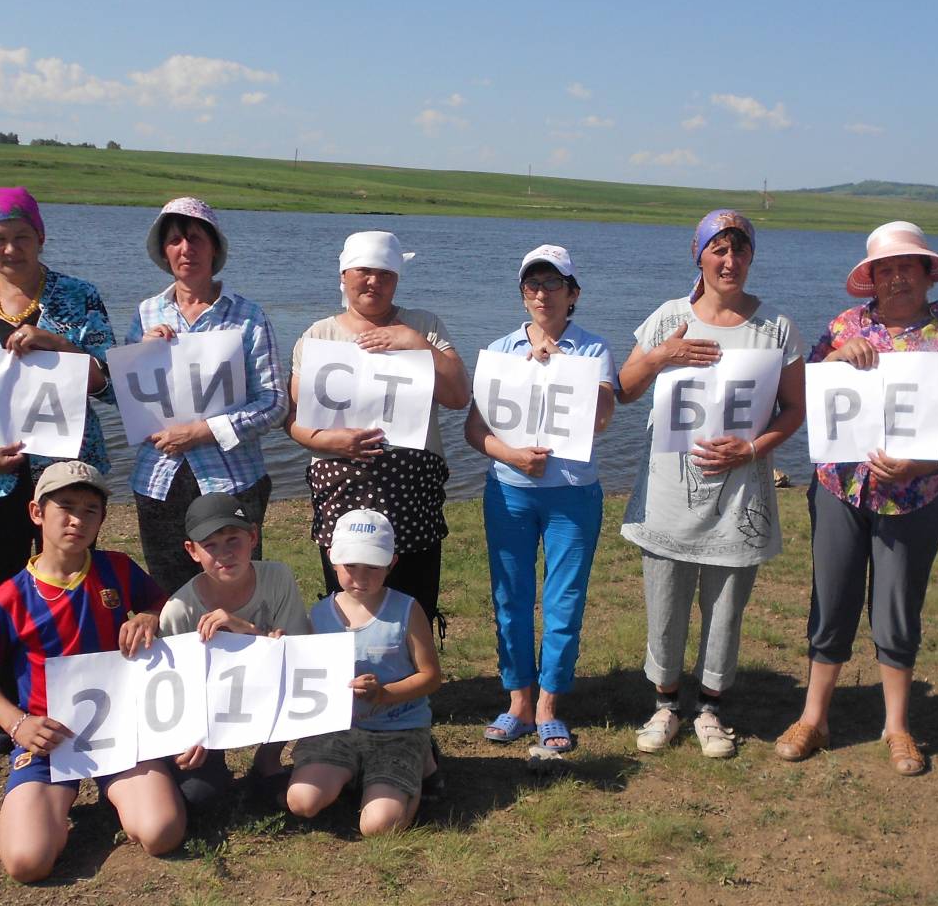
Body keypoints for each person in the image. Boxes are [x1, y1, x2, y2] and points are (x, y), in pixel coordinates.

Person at [774, 222, 938, 776]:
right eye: (885, 270)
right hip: (840, 490)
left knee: (897, 609)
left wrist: (929, 459)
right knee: (832, 600)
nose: (896, 278)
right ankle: (814, 718)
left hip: (915, 497)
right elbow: (810, 393)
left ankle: (896, 726)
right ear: (871, 279)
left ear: (925, 274)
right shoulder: (844, 327)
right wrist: (834, 358)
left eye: (907, 267)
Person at [617, 209, 805, 758]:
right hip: (669, 494)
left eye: (740, 250)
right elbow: (624, 390)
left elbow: (793, 410)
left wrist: (752, 448)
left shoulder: (776, 328)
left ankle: (712, 711)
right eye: (719, 250)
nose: (730, 261)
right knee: (666, 601)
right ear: (698, 255)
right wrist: (661, 356)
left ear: (751, 257)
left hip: (739, 494)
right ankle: (666, 703)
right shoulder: (668, 317)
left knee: (726, 607)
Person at [0, 187, 116, 754]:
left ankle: (74, 702)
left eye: (22, 236)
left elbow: (109, 381)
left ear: (41, 236)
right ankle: (9, 714)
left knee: (69, 583)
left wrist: (58, 345)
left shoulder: (79, 295)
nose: (11, 248)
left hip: (65, 472)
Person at [0, 460, 194, 883]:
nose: (77, 520)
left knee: (162, 833)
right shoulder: (9, 598)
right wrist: (18, 724)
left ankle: (116, 793)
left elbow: (162, 604)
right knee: (27, 863)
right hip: (49, 741)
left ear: (102, 518)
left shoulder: (117, 569)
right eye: (65, 507)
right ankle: (51, 807)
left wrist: (148, 618)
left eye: (90, 510)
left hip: (118, 734)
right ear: (37, 513)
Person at [464, 244, 615, 759]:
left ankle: (550, 702)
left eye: (553, 283)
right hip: (509, 491)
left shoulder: (592, 351)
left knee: (563, 600)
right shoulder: (500, 350)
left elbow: (599, 419)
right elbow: (474, 429)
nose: (541, 293)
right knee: (510, 597)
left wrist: (558, 368)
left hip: (572, 495)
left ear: (572, 293)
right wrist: (511, 454)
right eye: (532, 283)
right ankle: (518, 698)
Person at [286, 230, 470, 627]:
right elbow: (295, 418)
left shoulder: (424, 324)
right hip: (341, 483)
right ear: (343, 276)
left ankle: (413, 679)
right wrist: (331, 441)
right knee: (349, 596)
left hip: (411, 489)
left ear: (397, 279)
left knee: (413, 597)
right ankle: (350, 676)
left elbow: (458, 396)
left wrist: (413, 340)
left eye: (385, 273)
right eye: (364, 272)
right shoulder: (319, 335)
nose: (374, 281)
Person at [127, 197, 287, 594]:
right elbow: (126, 398)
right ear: (164, 251)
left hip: (231, 479)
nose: (186, 249)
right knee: (169, 594)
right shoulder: (146, 314)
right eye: (176, 240)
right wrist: (142, 352)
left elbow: (273, 403)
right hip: (158, 479)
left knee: (237, 589)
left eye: (196, 238)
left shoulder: (248, 316)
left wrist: (204, 430)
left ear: (214, 247)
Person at [286, 510, 442, 836]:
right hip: (338, 728)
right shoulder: (320, 614)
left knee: (377, 825)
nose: (360, 577)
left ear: (392, 563)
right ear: (331, 559)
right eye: (350, 566)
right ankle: (358, 773)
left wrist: (385, 694)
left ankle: (418, 765)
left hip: (397, 728)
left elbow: (431, 676)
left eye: (372, 567)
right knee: (301, 801)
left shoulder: (407, 610)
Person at [156, 492, 310, 807]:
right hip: (206, 707)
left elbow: (301, 656)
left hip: (266, 689)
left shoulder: (277, 577)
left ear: (253, 536)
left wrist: (247, 630)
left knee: (296, 675)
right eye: (210, 545)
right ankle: (212, 766)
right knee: (200, 796)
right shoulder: (178, 610)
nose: (224, 553)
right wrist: (188, 734)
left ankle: (268, 760)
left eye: (232, 540)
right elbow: (170, 687)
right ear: (192, 551)